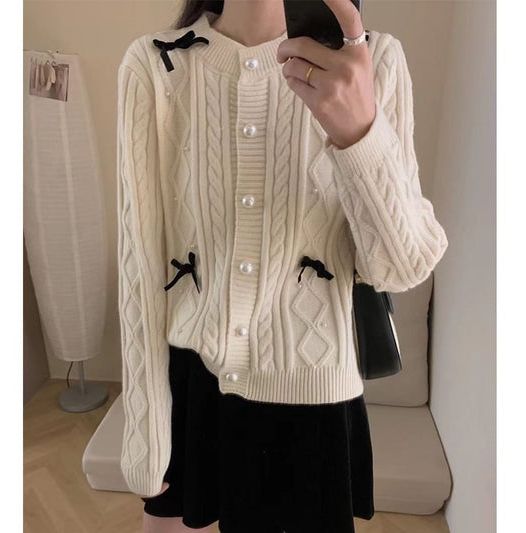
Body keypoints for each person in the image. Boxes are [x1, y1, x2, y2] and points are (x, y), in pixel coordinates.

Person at [116, 0, 449, 532]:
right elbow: (138, 263)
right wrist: (143, 434)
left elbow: (401, 268)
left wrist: (359, 133)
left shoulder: (374, 62)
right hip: (189, 392)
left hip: (311, 398)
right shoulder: (156, 65)